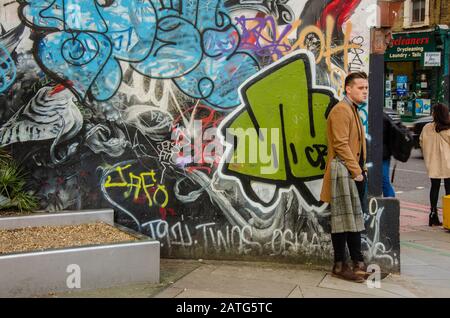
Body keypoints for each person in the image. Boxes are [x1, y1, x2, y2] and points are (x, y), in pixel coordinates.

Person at [320, 72, 368, 282]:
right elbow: (340, 144)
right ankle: (339, 265)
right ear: (348, 89)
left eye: (366, 88)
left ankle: (358, 264)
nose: (365, 91)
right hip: (344, 171)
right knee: (342, 220)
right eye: (360, 88)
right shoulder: (342, 110)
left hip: (351, 172)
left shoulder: (352, 109)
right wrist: (356, 172)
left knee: (352, 219)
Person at [419, 103, 450, 226]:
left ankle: (433, 214)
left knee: (434, 187)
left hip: (433, 163)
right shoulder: (448, 129)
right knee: (449, 190)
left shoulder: (427, 127)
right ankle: (448, 216)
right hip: (448, 164)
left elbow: (421, 142)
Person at [382, 111, 396, 197]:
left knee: (384, 180)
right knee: (384, 180)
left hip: (382, 154)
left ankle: (390, 203)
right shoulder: (385, 116)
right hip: (385, 154)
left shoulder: (383, 117)